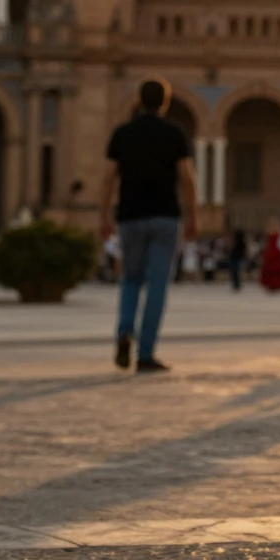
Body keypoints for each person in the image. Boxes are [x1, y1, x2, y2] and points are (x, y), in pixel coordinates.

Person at [99, 77, 197, 374]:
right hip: (165, 216)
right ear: (165, 102)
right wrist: (193, 215)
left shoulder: (123, 133)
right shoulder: (174, 133)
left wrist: (103, 215)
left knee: (130, 279)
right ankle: (145, 353)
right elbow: (187, 178)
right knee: (157, 284)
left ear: (140, 100)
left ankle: (124, 331)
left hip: (129, 216)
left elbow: (108, 179)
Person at [259, 218, 280, 292]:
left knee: (275, 269)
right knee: (273, 269)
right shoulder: (278, 230)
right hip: (274, 250)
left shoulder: (270, 230)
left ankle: (275, 285)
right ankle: (273, 285)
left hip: (273, 250)